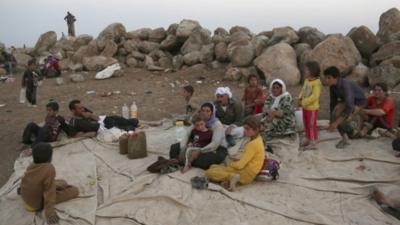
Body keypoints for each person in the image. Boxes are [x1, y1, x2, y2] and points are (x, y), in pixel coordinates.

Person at [19, 143, 79, 224]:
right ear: (49, 158)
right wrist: (49, 213)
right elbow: (49, 192)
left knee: (62, 182)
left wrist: (22, 190)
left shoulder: (32, 165)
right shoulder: (49, 168)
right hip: (35, 204)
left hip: (26, 197)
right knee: (75, 191)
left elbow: (26, 179)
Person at [205, 116, 265, 192]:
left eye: (247, 129)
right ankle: (229, 180)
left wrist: (229, 164)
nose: (245, 131)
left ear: (255, 130)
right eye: (244, 128)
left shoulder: (253, 144)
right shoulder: (257, 139)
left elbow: (240, 165)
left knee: (209, 172)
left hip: (245, 174)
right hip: (246, 171)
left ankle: (231, 177)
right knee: (213, 166)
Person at [170, 102, 227, 170]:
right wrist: (183, 148)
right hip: (200, 143)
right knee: (174, 148)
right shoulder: (198, 120)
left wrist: (200, 151)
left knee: (204, 161)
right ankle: (185, 160)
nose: (204, 113)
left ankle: (184, 160)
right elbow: (187, 134)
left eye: (207, 111)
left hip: (216, 148)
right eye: (202, 110)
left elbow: (215, 144)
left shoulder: (217, 125)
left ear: (212, 112)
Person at [324, 66, 367, 149]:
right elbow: (333, 103)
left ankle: (352, 131)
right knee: (335, 113)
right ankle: (345, 138)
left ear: (336, 77)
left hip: (358, 104)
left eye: (329, 78)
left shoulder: (346, 86)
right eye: (326, 78)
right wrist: (331, 120)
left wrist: (336, 122)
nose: (326, 80)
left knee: (340, 117)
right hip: (348, 102)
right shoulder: (332, 86)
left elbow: (350, 107)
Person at [68, 100, 139, 138]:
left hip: (106, 119)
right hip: (105, 128)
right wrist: (86, 134)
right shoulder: (74, 122)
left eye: (82, 107)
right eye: (80, 108)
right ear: (73, 111)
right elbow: (73, 135)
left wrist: (90, 116)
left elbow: (98, 118)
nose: (83, 109)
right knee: (130, 127)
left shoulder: (84, 111)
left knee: (133, 121)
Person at [298, 61, 323, 150]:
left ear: (312, 71)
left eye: (307, 69)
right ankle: (308, 137)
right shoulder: (306, 80)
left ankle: (313, 141)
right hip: (305, 107)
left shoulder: (317, 83)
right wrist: (300, 98)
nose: (305, 71)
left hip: (312, 108)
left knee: (312, 124)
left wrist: (304, 102)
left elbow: (315, 96)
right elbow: (303, 90)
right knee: (306, 123)